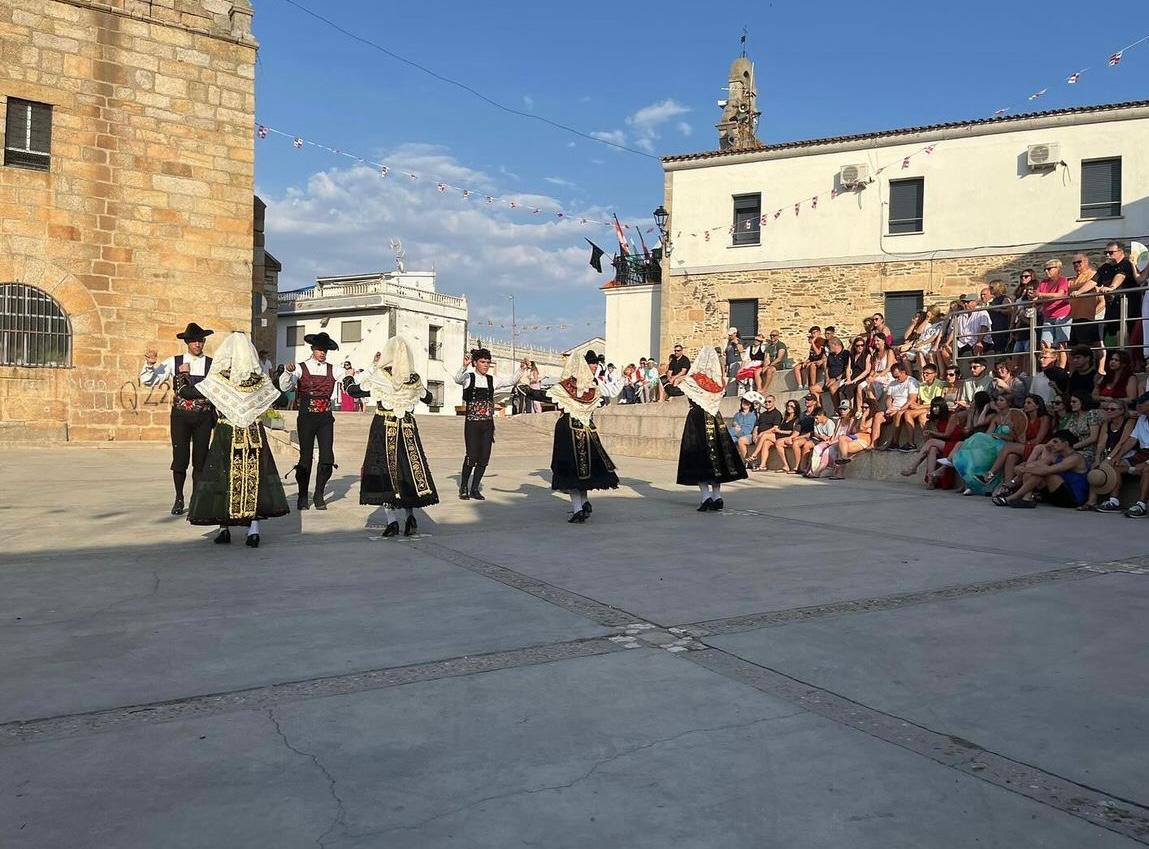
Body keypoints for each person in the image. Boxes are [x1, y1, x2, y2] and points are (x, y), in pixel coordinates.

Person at [181, 332, 288, 547]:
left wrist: (182, 377)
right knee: (255, 480)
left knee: (223, 477)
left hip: (226, 433)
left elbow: (187, 393)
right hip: (254, 434)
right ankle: (254, 531)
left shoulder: (220, 378)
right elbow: (283, 399)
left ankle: (224, 529)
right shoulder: (259, 380)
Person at [341, 337, 438, 538]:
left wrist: (348, 377)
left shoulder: (380, 376)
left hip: (385, 428)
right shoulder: (414, 378)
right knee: (408, 470)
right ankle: (410, 516)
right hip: (408, 428)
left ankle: (392, 520)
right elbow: (429, 398)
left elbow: (354, 391)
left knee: (385, 471)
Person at [520, 349, 620, 523]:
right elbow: (603, 400)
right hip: (588, 432)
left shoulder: (565, 387)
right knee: (585, 471)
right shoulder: (592, 388)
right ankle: (584, 503)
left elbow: (544, 395)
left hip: (568, 431)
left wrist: (525, 389)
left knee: (570, 472)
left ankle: (578, 509)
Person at [141, 322, 216, 516]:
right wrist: (150, 364)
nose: (197, 344)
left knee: (200, 459)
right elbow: (150, 380)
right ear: (187, 342)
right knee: (180, 458)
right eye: (193, 341)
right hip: (181, 417)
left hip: (204, 416)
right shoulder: (174, 361)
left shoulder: (212, 363)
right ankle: (179, 497)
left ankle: (197, 499)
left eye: (200, 340)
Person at [676, 345, 747, 510]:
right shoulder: (718, 382)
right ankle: (717, 496)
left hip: (697, 418)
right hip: (715, 418)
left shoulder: (694, 378)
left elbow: (680, 386)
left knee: (697, 455)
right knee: (717, 455)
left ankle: (705, 496)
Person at [452, 348, 527, 500]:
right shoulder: (468, 377)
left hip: (487, 424)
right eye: (482, 362)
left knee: (484, 457)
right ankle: (464, 487)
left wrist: (522, 369)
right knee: (471, 456)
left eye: (488, 362)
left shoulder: (492, 379)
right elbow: (457, 379)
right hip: (472, 424)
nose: (486, 365)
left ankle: (475, 488)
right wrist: (464, 365)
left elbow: (511, 381)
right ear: (475, 362)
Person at [279, 331, 341, 511]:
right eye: (319, 349)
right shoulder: (300, 367)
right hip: (306, 417)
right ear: (313, 349)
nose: (322, 353)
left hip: (325, 418)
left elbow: (349, 380)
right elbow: (285, 387)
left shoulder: (333, 369)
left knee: (327, 457)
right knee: (305, 457)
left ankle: (319, 493)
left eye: (325, 350)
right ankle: (303, 495)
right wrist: (287, 373)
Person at [941, 393, 1024, 495]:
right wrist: (985, 408)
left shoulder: (1015, 417)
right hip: (993, 442)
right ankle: (971, 483)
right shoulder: (996, 417)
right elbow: (987, 433)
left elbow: (1015, 438)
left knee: (980, 449)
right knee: (977, 442)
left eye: (1001, 400)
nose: (998, 402)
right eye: (997, 400)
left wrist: (1000, 435)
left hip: (1005, 444)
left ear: (1009, 403)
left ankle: (978, 481)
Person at [992, 430, 1088, 509]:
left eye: (1055, 442)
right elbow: (1033, 465)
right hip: (1056, 496)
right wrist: (1022, 468)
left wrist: (1024, 470)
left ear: (1066, 444)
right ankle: (1027, 498)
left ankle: (1013, 497)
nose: (1052, 444)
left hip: (1073, 499)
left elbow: (1047, 471)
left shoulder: (1075, 458)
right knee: (1035, 469)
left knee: (1043, 472)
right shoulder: (1056, 456)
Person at [977, 393, 1052, 488]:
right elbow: (1018, 439)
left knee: (1008, 446)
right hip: (1025, 446)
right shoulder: (1023, 418)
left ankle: (990, 474)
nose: (1025, 405)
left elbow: (1038, 440)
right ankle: (1007, 487)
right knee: (1011, 456)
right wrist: (1013, 430)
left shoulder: (1044, 418)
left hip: (1040, 448)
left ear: (1037, 406)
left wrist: (1023, 443)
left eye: (1029, 403)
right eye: (1025, 402)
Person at [1097, 241, 1141, 347]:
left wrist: (1111, 288)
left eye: (1111, 252)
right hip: (1112, 312)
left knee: (1126, 340)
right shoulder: (1105, 267)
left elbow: (1120, 275)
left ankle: (1128, 362)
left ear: (1121, 252)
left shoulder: (1127, 264)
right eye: (1105, 252)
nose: (1107, 255)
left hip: (1128, 310)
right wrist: (1080, 292)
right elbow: (1094, 281)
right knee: (1110, 341)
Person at [1034, 259, 1071, 366]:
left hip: (1062, 315)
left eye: (1049, 269)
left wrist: (1040, 295)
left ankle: (1062, 368)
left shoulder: (1062, 280)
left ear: (1058, 269)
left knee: (1061, 344)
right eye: (1045, 269)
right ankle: (1049, 366)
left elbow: (1060, 295)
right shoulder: (1043, 283)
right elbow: (1039, 297)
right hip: (1048, 316)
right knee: (1044, 344)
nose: (1046, 271)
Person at [882, 363, 920, 451]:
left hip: (905, 408)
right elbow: (888, 398)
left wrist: (898, 409)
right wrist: (890, 408)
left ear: (903, 372)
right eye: (894, 377)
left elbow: (912, 399)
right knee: (878, 416)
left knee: (898, 414)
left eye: (897, 376)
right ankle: (873, 444)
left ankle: (895, 443)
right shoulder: (892, 383)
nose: (896, 379)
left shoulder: (911, 381)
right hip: (894, 408)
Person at [1067, 254, 1103, 349]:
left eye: (1079, 262)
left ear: (1086, 262)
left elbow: (1102, 300)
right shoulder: (1072, 280)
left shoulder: (1093, 275)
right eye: (1074, 263)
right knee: (1073, 348)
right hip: (1073, 318)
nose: (1076, 264)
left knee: (1085, 348)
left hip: (1086, 318)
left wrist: (1094, 314)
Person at [747, 394, 782, 471]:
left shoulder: (777, 413)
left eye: (769, 401)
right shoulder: (763, 414)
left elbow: (775, 428)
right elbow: (756, 426)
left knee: (764, 436)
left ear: (774, 402)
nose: (767, 403)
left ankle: (754, 454)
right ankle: (763, 465)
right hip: (763, 437)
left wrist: (762, 433)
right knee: (765, 443)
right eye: (765, 402)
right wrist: (755, 435)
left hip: (774, 436)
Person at [728, 392, 760, 462]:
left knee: (728, 433)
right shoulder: (738, 414)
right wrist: (735, 424)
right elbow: (734, 422)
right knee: (730, 440)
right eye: (743, 402)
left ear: (750, 404)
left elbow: (756, 423)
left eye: (747, 402)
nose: (745, 403)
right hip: (737, 434)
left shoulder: (753, 413)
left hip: (748, 434)